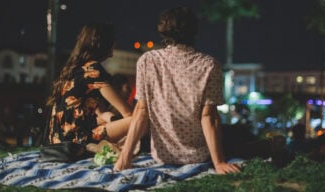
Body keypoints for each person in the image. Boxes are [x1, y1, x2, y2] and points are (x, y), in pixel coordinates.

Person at [114, 7, 241, 174]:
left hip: (162, 156)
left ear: (163, 31)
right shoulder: (209, 65)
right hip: (198, 156)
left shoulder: (147, 61)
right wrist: (219, 163)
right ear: (194, 32)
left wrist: (125, 158)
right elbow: (209, 117)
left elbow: (141, 112)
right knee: (238, 133)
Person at [45, 22, 132, 153]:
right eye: (112, 42)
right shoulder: (93, 70)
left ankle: (101, 147)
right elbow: (128, 113)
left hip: (57, 142)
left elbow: (102, 114)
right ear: (103, 44)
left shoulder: (75, 69)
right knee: (140, 119)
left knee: (111, 120)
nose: (114, 46)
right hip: (77, 140)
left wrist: (115, 122)